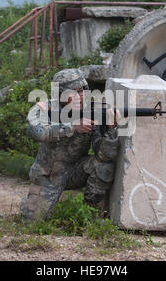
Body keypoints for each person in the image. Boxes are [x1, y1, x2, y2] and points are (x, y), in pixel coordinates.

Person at [20, 69, 120, 221]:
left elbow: (104, 155)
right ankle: (30, 203)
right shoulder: (46, 108)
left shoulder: (92, 111)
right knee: (31, 221)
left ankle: (90, 215)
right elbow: (36, 132)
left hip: (74, 172)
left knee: (102, 167)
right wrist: (72, 127)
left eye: (82, 91)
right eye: (73, 92)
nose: (80, 96)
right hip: (48, 174)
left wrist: (112, 129)